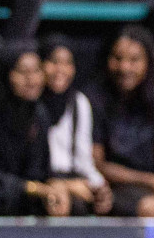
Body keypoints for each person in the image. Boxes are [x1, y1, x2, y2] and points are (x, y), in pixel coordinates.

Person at [0, 42, 83, 216]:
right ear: (6, 73)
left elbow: (39, 171)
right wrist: (35, 189)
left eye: (36, 71)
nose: (32, 79)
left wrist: (56, 186)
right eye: (22, 72)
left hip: (21, 204)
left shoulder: (38, 113)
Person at [90, 25, 154, 217]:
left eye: (134, 60)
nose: (124, 67)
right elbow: (98, 164)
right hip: (113, 186)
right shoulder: (94, 98)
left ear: (148, 62)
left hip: (153, 184)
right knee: (151, 207)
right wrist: (152, 181)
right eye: (118, 59)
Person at [40, 35, 113, 215]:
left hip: (72, 176)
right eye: (54, 62)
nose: (60, 70)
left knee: (99, 200)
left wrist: (99, 185)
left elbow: (84, 160)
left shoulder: (79, 103)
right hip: (41, 180)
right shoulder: (33, 104)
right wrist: (68, 186)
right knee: (60, 200)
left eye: (67, 63)